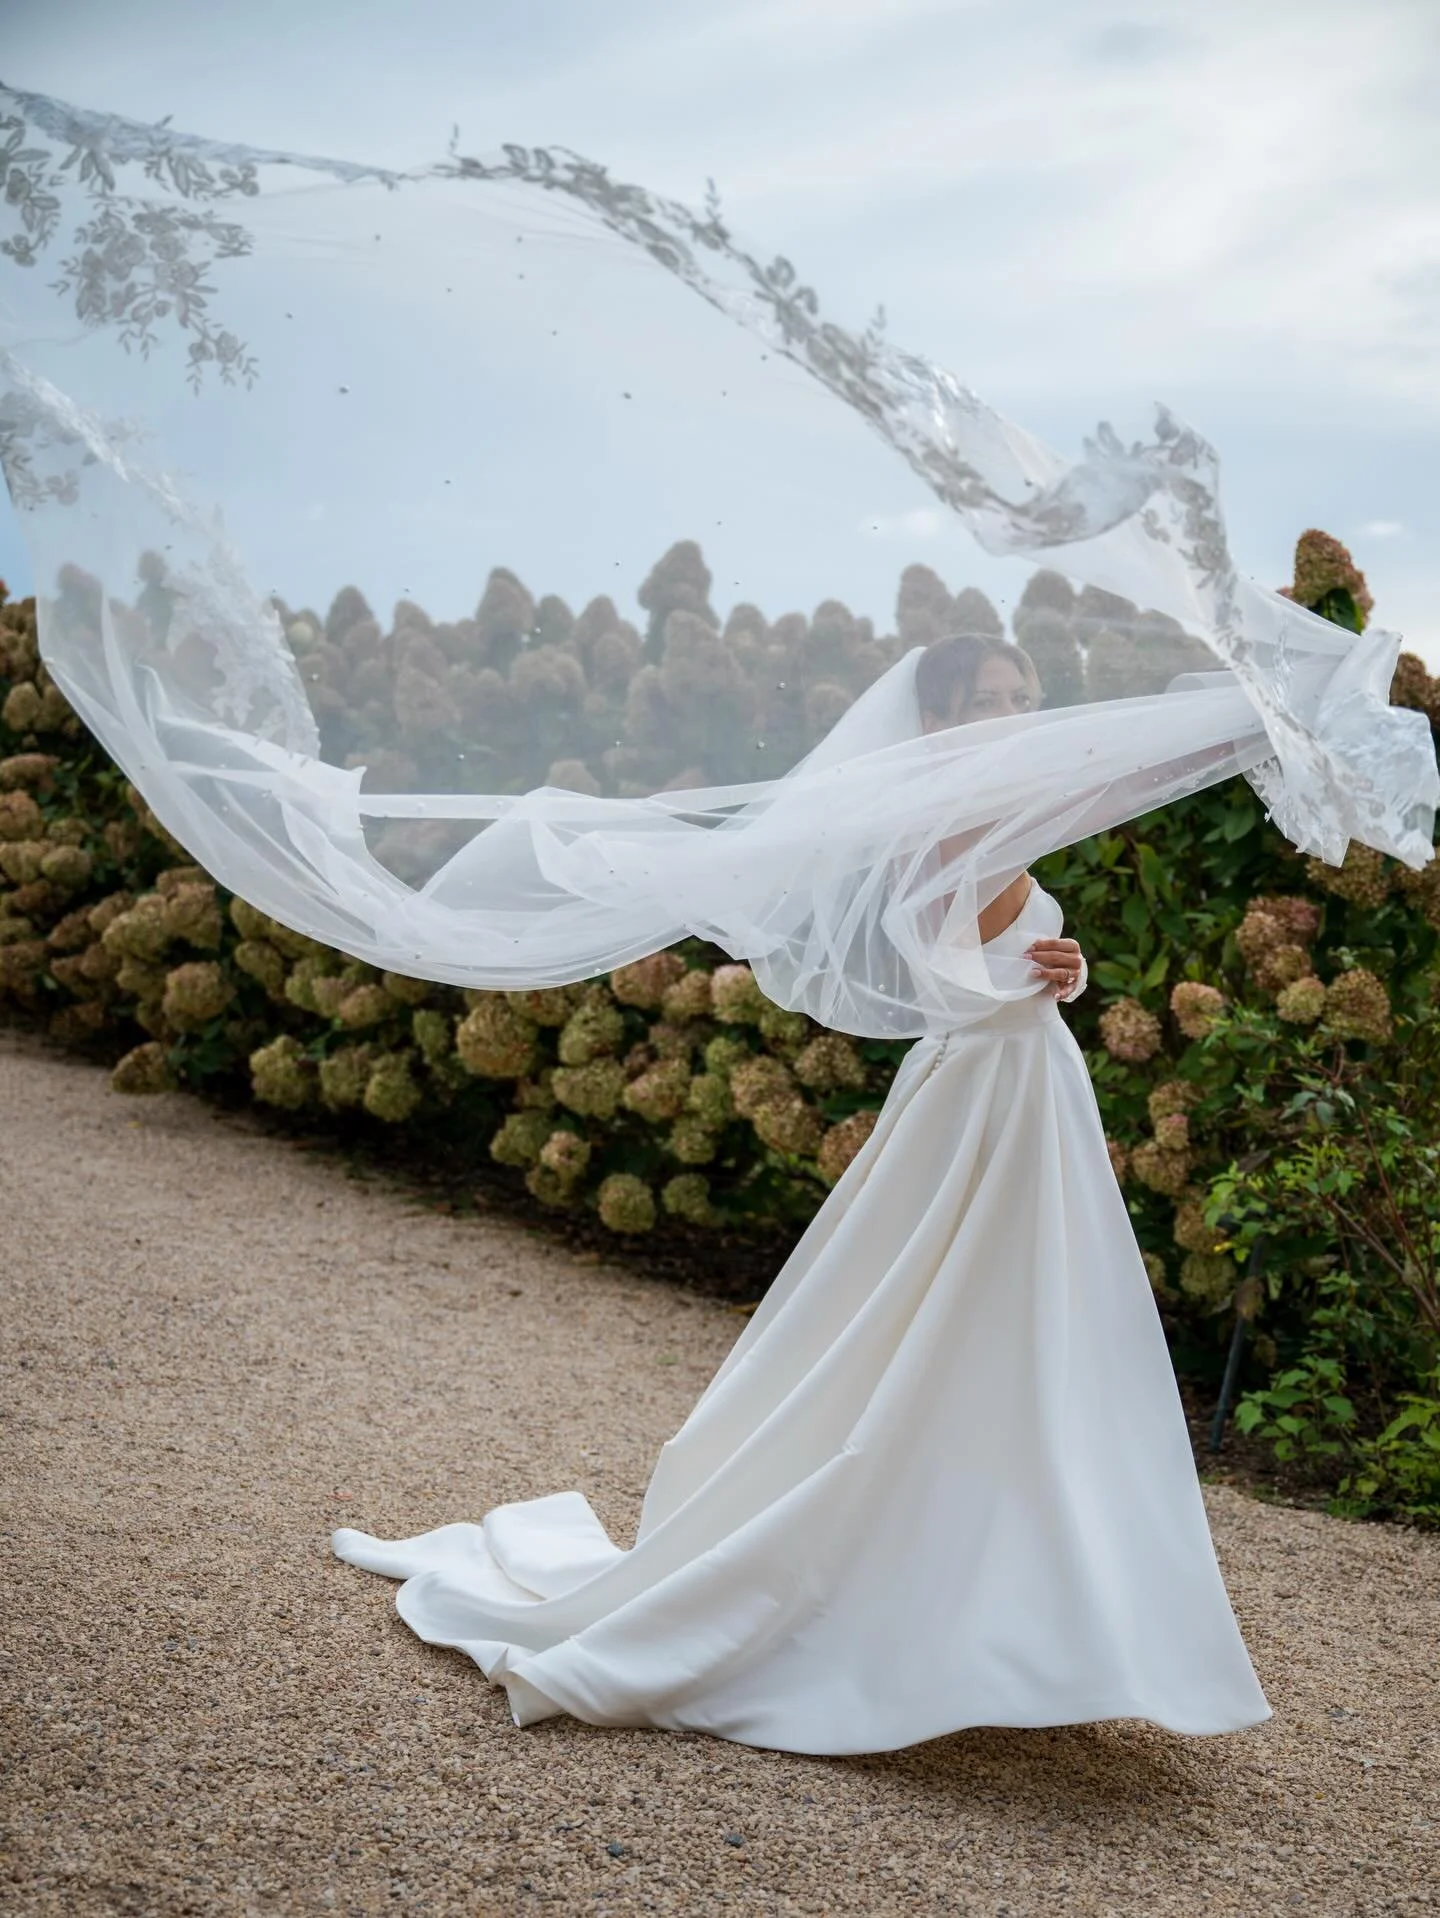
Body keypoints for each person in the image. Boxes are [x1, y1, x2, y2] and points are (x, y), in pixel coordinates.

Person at [332, 632, 1271, 1755]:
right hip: (980, 1102)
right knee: (947, 1336)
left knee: (1023, 1338)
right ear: (938, 721)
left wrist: (1060, 968)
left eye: (1026, 696)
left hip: (1022, 1093)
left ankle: (1011, 1601)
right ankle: (943, 1606)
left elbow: (1002, 946)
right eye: (991, 699)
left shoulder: (989, 803)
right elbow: (980, 917)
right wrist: (1241, 723)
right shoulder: (958, 814)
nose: (1017, 714)